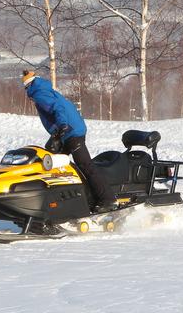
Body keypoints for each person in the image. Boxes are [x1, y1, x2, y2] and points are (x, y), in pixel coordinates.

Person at [22, 70, 116, 212]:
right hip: (66, 132)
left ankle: (108, 200)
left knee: (85, 165)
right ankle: (69, 200)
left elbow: (57, 108)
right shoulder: (43, 89)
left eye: (24, 87)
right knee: (56, 165)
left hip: (71, 132)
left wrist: (63, 124)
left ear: (28, 86)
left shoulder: (38, 93)